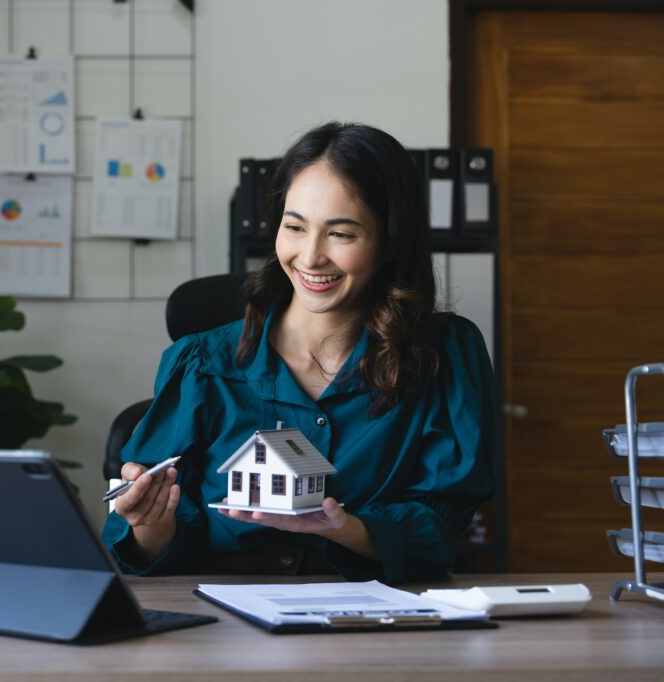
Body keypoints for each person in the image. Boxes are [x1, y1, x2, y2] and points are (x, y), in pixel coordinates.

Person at [100, 121, 495, 584]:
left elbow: (439, 534)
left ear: (390, 241)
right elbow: (143, 553)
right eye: (295, 227)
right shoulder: (201, 365)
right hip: (221, 621)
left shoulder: (444, 356)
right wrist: (152, 523)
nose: (310, 257)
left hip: (368, 614)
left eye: (341, 234)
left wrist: (346, 529)